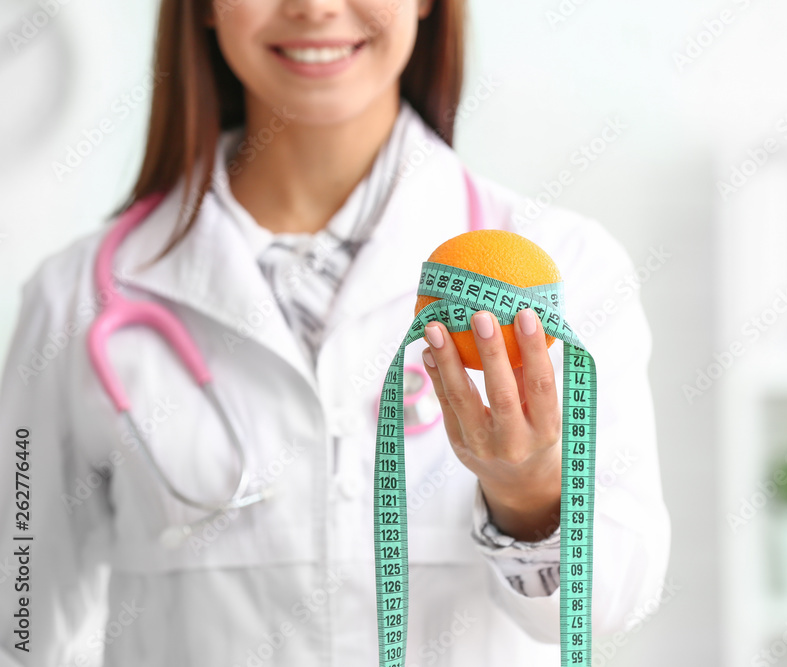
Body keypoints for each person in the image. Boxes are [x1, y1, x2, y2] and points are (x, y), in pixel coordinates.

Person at [0, 0, 670, 664]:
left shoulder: (564, 270)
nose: (316, 8)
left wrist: (529, 495)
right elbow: (16, 615)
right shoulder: (73, 300)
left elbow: (609, 600)